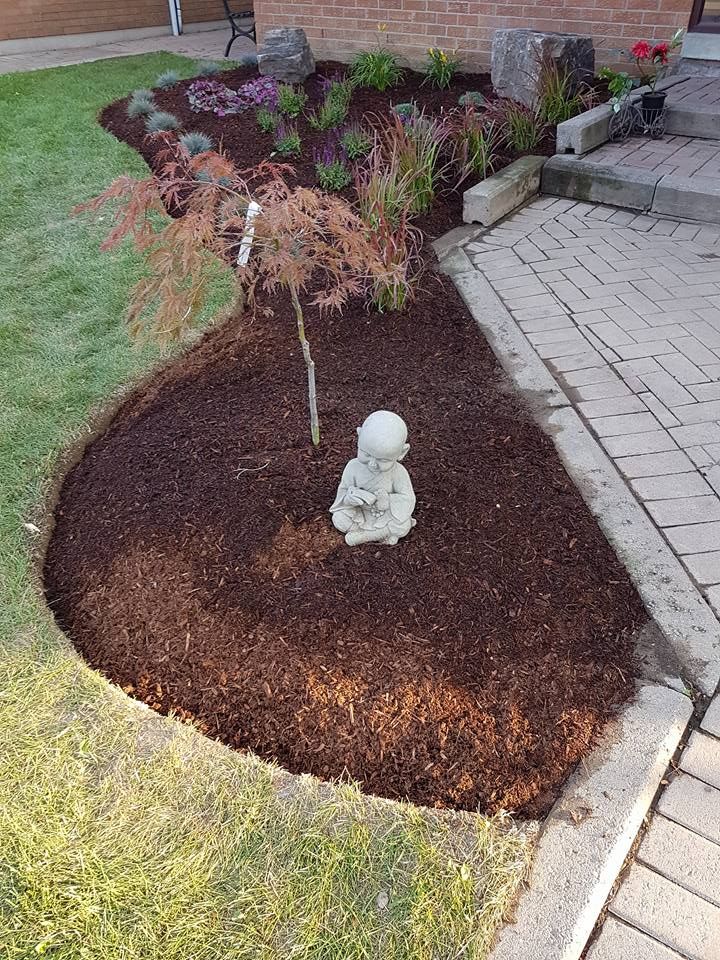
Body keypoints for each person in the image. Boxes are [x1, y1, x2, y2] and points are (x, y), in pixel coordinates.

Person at [330, 410, 416, 546]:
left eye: (382, 460)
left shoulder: (399, 473)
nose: (372, 463)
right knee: (339, 518)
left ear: (402, 453)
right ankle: (377, 534)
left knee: (403, 525)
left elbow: (408, 498)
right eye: (366, 454)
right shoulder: (353, 467)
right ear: (359, 436)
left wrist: (387, 500)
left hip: (385, 515)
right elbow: (343, 493)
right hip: (360, 513)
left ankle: (364, 537)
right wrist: (349, 499)